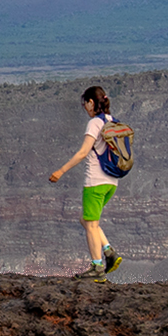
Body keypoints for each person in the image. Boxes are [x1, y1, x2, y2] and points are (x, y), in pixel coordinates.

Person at [47, 85, 123, 279]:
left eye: (85, 105)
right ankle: (109, 252)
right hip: (111, 182)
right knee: (87, 220)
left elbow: (83, 152)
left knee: (90, 224)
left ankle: (97, 267)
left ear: (91, 102)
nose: (86, 109)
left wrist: (60, 171)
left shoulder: (95, 123)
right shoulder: (113, 121)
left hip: (95, 182)